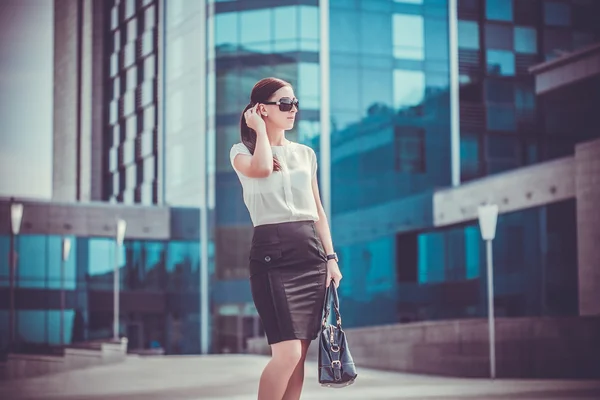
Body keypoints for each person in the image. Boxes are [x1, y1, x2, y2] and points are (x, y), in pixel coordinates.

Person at [230, 77, 342, 400]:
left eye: (294, 103)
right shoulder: (241, 152)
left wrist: (331, 259)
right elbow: (263, 169)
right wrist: (261, 133)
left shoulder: (306, 154)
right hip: (272, 257)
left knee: (299, 358)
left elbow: (318, 211)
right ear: (261, 109)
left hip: (311, 255)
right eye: (284, 104)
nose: (292, 110)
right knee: (288, 353)